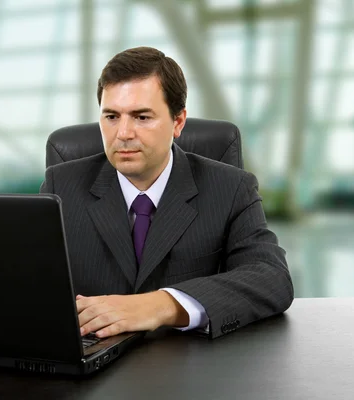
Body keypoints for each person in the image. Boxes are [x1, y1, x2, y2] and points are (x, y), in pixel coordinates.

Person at [40, 46, 293, 339]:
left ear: (178, 122)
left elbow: (271, 278)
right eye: (111, 116)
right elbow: (25, 283)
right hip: (91, 364)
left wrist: (160, 305)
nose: (123, 133)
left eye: (142, 117)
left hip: (192, 369)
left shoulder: (231, 187)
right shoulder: (62, 186)